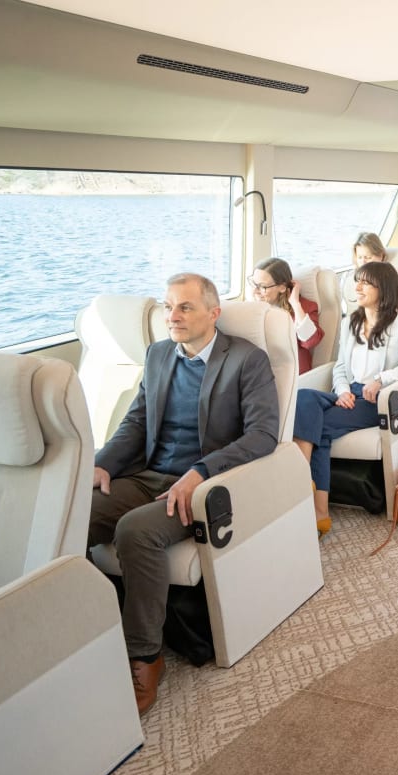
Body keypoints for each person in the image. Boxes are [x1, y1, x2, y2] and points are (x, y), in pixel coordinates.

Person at [89, 273, 280, 714]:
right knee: (72, 514)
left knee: (135, 531)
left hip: (202, 486)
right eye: (168, 306)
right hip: (147, 475)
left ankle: (144, 656)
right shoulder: (158, 354)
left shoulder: (246, 359)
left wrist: (201, 472)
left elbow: (263, 435)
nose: (172, 316)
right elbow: (137, 422)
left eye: (185, 307)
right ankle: (92, 631)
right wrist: (103, 463)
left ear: (213, 314)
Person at [293, 260, 398, 533]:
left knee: (319, 427)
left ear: (384, 288)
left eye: (366, 282)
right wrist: (342, 391)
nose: (357, 287)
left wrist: (381, 379)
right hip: (351, 393)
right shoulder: (350, 323)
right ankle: (306, 489)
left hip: (377, 399)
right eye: (357, 281)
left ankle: (308, 498)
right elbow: (341, 367)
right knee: (303, 397)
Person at [249, 256, 323, 374]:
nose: (255, 292)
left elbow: (310, 341)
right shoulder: (253, 307)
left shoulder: (304, 307)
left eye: (263, 287)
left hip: (290, 373)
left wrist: (295, 303)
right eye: (254, 284)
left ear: (282, 287)